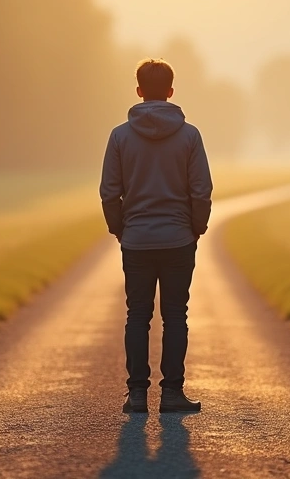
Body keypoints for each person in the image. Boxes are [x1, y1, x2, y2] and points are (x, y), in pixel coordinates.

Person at [99, 59, 212, 414]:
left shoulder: (119, 136)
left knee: (137, 315)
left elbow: (108, 192)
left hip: (136, 240)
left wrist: (120, 228)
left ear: (138, 91)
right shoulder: (190, 135)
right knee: (176, 315)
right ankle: (172, 394)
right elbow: (201, 191)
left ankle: (136, 395)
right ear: (171, 91)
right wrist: (196, 227)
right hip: (179, 239)